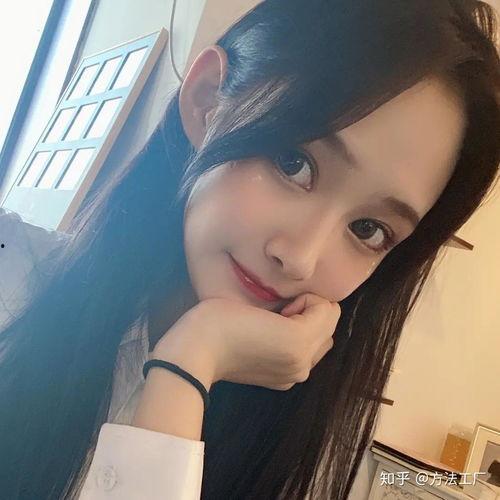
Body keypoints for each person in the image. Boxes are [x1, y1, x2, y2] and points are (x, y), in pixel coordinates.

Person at [0, 0, 499, 498]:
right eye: (293, 163)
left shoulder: (314, 457)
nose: (300, 257)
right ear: (207, 100)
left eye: (368, 229)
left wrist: (191, 362)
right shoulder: (12, 274)